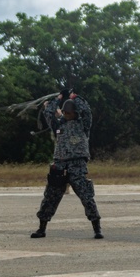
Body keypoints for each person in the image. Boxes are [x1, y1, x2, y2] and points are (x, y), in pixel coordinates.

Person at [31, 88, 103, 238]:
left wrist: (75, 97)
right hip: (60, 165)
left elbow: (87, 111)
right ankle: (42, 228)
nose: (67, 115)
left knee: (86, 197)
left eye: (70, 112)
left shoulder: (83, 125)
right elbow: (49, 113)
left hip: (77, 165)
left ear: (76, 113)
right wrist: (59, 98)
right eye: (65, 112)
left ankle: (97, 228)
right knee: (50, 197)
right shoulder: (58, 126)